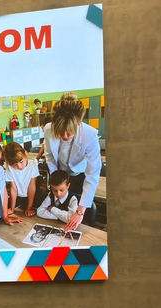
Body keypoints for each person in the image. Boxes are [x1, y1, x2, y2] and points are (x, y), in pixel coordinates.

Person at [42, 92, 102, 232]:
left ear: (78, 124)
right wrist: (57, 178)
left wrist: (80, 212)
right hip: (58, 173)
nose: (64, 136)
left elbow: (92, 174)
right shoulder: (48, 128)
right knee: (59, 206)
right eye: (60, 131)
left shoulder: (90, 135)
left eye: (69, 131)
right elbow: (49, 156)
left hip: (78, 175)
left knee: (77, 213)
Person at [2, 142, 39, 217]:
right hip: (18, 197)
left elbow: (32, 187)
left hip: (33, 195)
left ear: (25, 154)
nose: (19, 166)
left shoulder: (33, 165)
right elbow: (13, 189)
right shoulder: (9, 168)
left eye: (21, 162)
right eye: (14, 164)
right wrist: (12, 209)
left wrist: (29, 207)